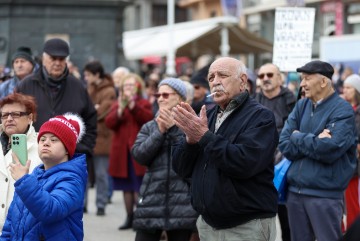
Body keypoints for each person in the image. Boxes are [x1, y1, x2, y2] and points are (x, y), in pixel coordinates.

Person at [172, 57, 279, 241]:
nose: (215, 81)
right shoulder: (208, 115)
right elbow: (181, 169)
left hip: (245, 226)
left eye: (222, 75)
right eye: (211, 77)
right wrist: (190, 141)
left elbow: (244, 162)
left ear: (243, 81)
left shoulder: (261, 117)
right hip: (207, 224)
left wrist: (204, 137)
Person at [278, 60, 357, 241]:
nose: (302, 84)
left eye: (307, 79)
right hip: (295, 194)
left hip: (325, 196)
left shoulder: (342, 109)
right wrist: (314, 139)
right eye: (301, 79)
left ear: (323, 82)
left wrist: (298, 137)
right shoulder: (301, 105)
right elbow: (284, 143)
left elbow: (330, 150)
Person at [15, 38, 97, 195]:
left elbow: (91, 120)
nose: (58, 63)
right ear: (44, 59)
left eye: (62, 59)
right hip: (34, 161)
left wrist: (83, 149)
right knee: (35, 207)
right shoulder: (26, 85)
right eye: (53, 58)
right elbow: (13, 119)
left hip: (69, 164)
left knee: (66, 210)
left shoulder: (77, 86)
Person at [0, 113, 87, 240]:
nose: (46, 143)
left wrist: (23, 180)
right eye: (42, 139)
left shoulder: (72, 179)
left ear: (67, 149)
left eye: (53, 140)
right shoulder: (31, 176)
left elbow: (51, 210)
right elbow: (10, 225)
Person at [132, 78, 197, 241]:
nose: (160, 98)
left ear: (180, 98)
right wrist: (160, 131)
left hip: (182, 202)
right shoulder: (150, 126)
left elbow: (190, 158)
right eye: (158, 94)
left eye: (166, 95)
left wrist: (174, 131)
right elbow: (139, 155)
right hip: (152, 199)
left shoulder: (191, 125)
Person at [105, 73, 153, 230]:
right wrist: (120, 110)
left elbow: (147, 119)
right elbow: (109, 123)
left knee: (139, 187)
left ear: (138, 87)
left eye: (132, 85)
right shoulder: (117, 103)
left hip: (139, 150)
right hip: (122, 152)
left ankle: (140, 217)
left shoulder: (144, 103)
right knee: (126, 187)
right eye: (126, 86)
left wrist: (133, 106)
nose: (129, 89)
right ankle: (129, 217)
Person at [255, 63, 296, 241]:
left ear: (279, 78)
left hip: (284, 164)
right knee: (261, 219)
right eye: (262, 75)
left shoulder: (291, 100)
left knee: (286, 218)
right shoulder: (253, 100)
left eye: (270, 75)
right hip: (259, 165)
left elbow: (294, 130)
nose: (265, 79)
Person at [0, 93, 43, 233]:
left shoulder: (42, 148)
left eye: (16, 114)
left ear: (30, 118)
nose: (9, 119)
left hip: (25, 229)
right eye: (5, 115)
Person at [83, 60, 117, 216]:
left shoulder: (109, 90)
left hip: (102, 137)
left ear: (96, 74)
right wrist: (93, 108)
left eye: (88, 75)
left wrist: (93, 109)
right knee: (83, 173)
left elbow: (102, 112)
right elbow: (84, 109)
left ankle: (101, 204)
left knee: (101, 174)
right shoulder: (88, 88)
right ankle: (82, 204)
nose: (86, 78)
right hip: (87, 135)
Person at [342, 74, 360, 230]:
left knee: (352, 205)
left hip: (354, 167)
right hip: (342, 164)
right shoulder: (343, 109)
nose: (344, 91)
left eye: (349, 88)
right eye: (344, 87)